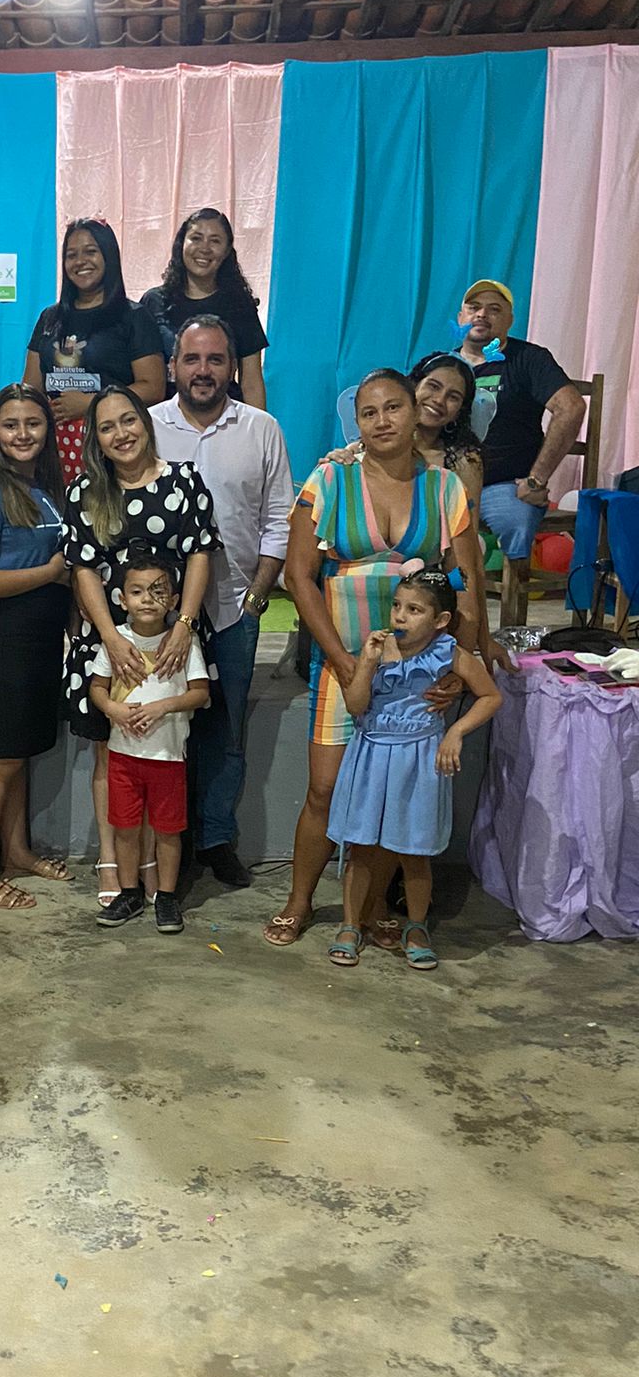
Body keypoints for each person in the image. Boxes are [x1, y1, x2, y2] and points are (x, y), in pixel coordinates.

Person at [265, 368, 483, 950]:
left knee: (390, 795)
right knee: (324, 788)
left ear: (415, 413)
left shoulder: (445, 489)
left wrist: (458, 667)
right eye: (368, 412)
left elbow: (465, 584)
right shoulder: (330, 479)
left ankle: (370, 908)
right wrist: (339, 659)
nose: (382, 421)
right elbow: (298, 576)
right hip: (343, 665)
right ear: (356, 422)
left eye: (393, 408)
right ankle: (299, 900)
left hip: (415, 678)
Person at [152, 315, 295, 887]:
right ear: (173, 367)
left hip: (236, 610)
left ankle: (214, 838)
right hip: (158, 617)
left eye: (215, 359)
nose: (203, 370)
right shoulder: (148, 427)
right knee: (163, 730)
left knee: (225, 732)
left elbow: (279, 520)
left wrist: (257, 598)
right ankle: (171, 841)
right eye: (192, 359)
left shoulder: (262, 429)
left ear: (232, 367)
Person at [61, 384, 217, 906]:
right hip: (110, 640)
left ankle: (152, 861)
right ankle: (112, 859)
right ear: (96, 439)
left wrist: (184, 625)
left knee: (161, 754)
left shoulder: (184, 481)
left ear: (145, 423)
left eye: (128, 420)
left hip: (170, 638)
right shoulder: (86, 490)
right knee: (113, 755)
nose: (121, 434)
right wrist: (110, 637)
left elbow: (199, 554)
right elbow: (83, 568)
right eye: (107, 427)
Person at [326, 573, 501, 969]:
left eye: (414, 610)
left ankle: (417, 927)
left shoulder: (450, 653)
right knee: (361, 849)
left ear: (440, 620)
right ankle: (351, 925)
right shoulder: (377, 648)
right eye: (397, 606)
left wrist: (455, 732)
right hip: (372, 756)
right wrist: (367, 663)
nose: (400, 616)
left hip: (420, 759)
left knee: (414, 852)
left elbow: (491, 696)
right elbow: (355, 705)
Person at [325, 351, 511, 673]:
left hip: (432, 586)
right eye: (433, 387)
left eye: (453, 397)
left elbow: (467, 561)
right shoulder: (370, 444)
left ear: (461, 410)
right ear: (413, 388)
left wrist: (479, 639)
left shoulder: (461, 463)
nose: (439, 400)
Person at [0, 384, 71, 909]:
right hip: (5, 637)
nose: (22, 434)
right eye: (11, 425)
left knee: (19, 751)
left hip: (42, 637)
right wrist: (51, 572)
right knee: (0, 757)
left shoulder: (45, 487)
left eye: (33, 423)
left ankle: (17, 851)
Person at [454, 279, 586, 627]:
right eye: (474, 307)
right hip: (449, 484)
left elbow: (571, 407)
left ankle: (506, 632)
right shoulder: (442, 367)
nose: (482, 315)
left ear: (510, 320)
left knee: (515, 523)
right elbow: (406, 416)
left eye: (494, 309)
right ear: (461, 316)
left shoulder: (529, 359)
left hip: (505, 485)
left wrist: (536, 479)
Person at [89, 555, 209, 934]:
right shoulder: (115, 642)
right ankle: (129, 893)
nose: (147, 600)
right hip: (123, 757)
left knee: (168, 830)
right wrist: (113, 709)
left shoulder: (184, 643)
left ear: (173, 601)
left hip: (168, 757)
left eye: (157, 592)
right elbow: (97, 688)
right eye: (137, 592)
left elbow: (200, 693)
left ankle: (167, 896)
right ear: (122, 599)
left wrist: (163, 707)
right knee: (125, 829)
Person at [23, 218, 165, 486]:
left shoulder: (133, 316)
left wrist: (91, 403)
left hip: (114, 445)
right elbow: (31, 389)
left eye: (90, 251)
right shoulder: (49, 318)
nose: (80, 261)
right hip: (52, 448)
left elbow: (153, 388)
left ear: (108, 256)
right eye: (71, 255)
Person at [141, 208, 269, 408]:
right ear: (181, 244)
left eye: (215, 241)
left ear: (227, 251)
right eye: (196, 238)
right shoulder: (153, 301)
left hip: (226, 416)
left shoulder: (240, 305)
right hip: (166, 416)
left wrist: (260, 424)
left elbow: (251, 382)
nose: (204, 248)